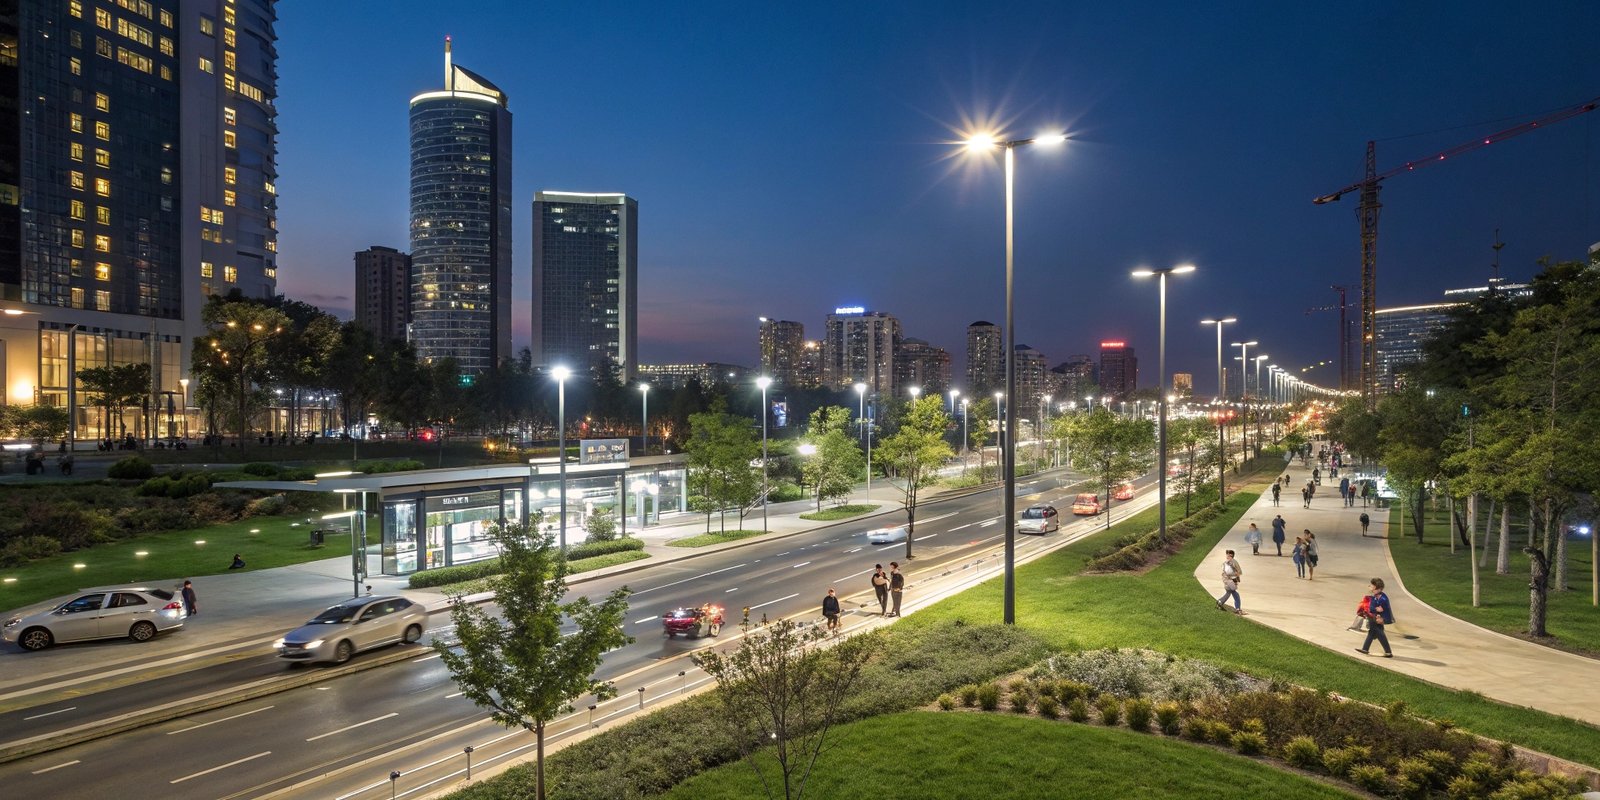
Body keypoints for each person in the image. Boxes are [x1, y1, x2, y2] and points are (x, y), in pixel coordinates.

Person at [1355, 578, 1394, 657]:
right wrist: (1375, 609)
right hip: (1374, 617)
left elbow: (1383, 610)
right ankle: (1365, 649)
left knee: (1379, 633)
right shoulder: (1376, 596)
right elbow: (1372, 608)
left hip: (1378, 619)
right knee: (1373, 632)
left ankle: (1388, 652)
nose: (1371, 588)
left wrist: (1381, 616)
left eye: (1373, 587)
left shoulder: (1383, 599)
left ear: (1379, 589)